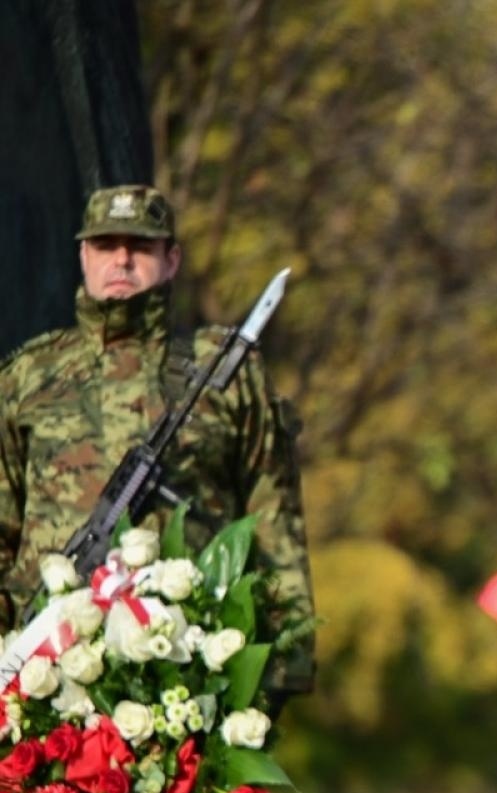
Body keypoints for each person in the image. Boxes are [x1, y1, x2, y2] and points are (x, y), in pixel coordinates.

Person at [0, 184, 314, 694]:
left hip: (194, 671)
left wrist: (282, 668)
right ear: (83, 256)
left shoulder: (226, 372)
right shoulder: (28, 376)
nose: (121, 260)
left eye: (140, 246)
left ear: (171, 259)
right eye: (105, 246)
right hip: (43, 674)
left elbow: (273, 518)